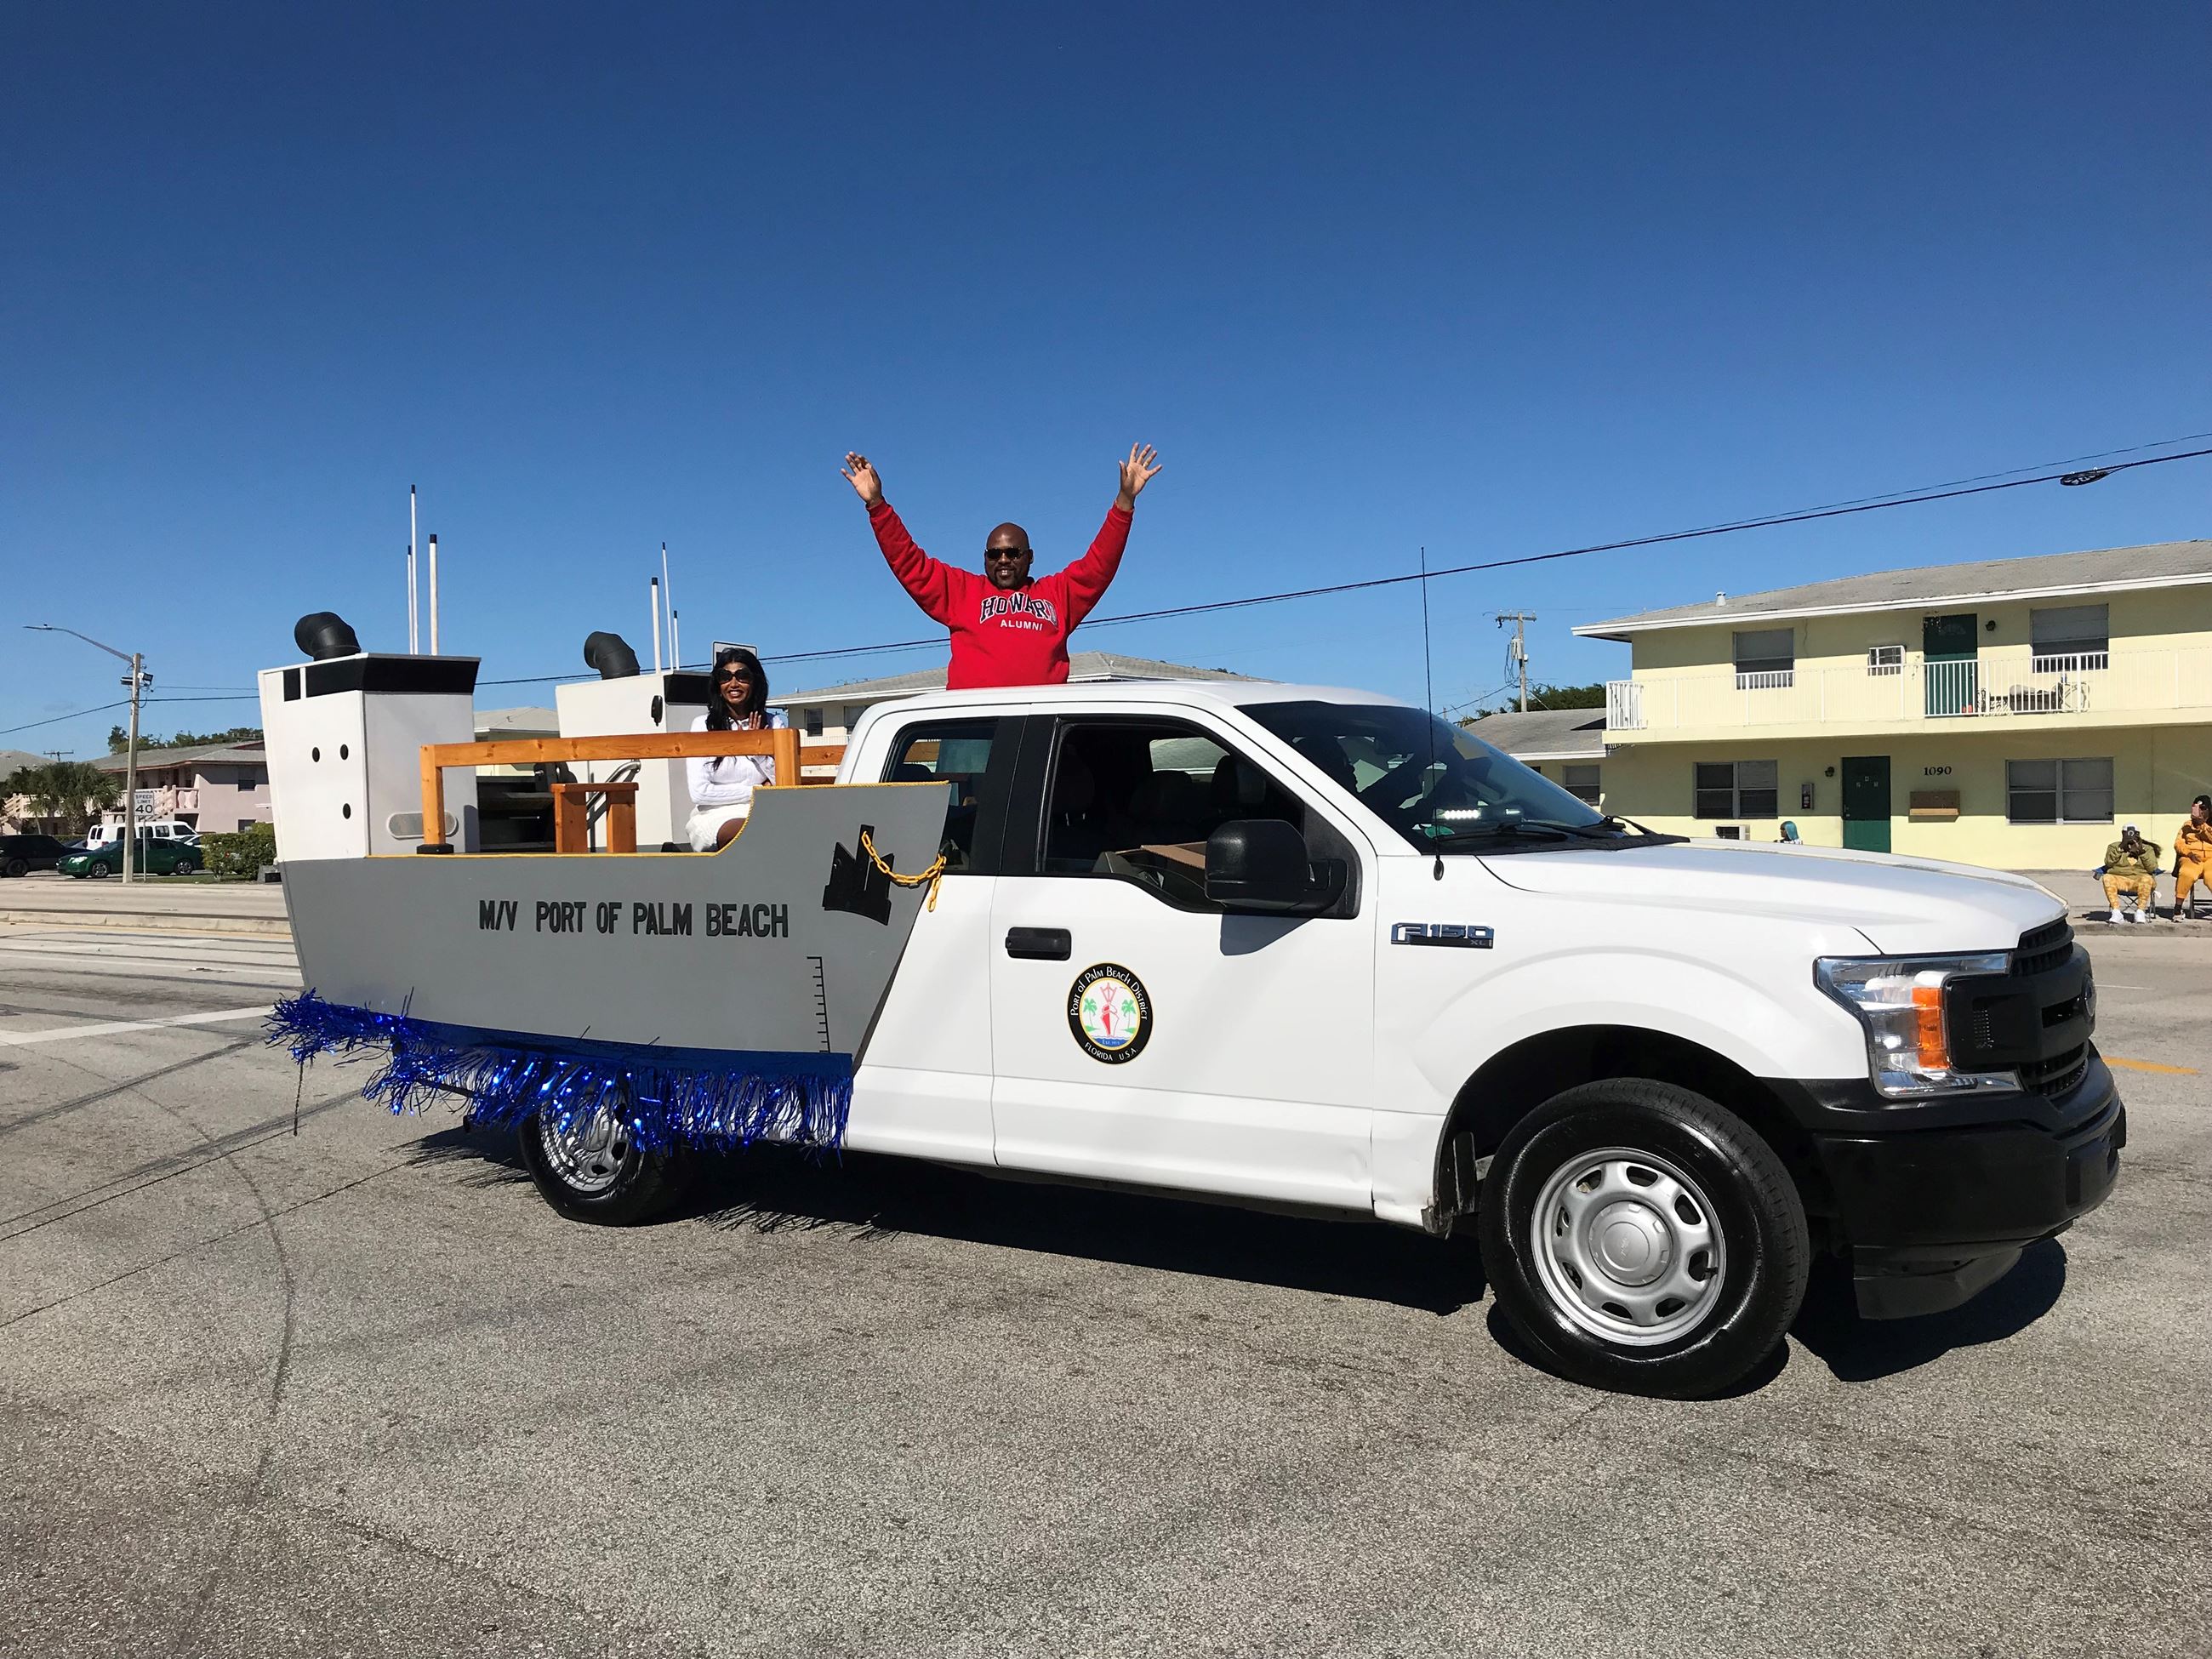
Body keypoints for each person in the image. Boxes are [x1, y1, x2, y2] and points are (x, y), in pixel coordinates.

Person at [840, 443, 1164, 689]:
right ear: (985, 559)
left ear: (1029, 557)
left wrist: (1125, 502)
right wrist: (877, 505)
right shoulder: (962, 593)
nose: (1004, 560)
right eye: (994, 554)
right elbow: (909, 562)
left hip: (1040, 730)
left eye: (1012, 552)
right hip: (972, 731)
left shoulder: (1057, 595)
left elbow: (1099, 566)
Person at [685, 647, 787, 851]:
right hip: (715, 814)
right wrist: (758, 790)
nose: (733, 683)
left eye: (742, 676)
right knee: (747, 832)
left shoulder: (774, 724)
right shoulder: (703, 725)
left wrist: (757, 750)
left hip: (764, 811)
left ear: (754, 681)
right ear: (718, 684)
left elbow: (783, 785)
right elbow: (700, 793)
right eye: (725, 676)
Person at [2100, 823, 2162, 924]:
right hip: (2120, 879)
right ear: (2123, 834)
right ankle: (2116, 912)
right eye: (2127, 834)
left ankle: (2140, 912)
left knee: (2147, 879)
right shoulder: (2113, 847)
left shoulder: (2147, 849)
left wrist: (2141, 852)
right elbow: (2108, 863)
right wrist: (2121, 848)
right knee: (2107, 877)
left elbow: (2152, 869)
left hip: (2139, 880)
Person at [2175, 794, 2212, 921]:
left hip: (2211, 858)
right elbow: (2178, 844)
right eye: (2198, 807)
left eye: (2203, 808)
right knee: (2187, 873)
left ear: (2209, 810)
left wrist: (2204, 827)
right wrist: (2189, 854)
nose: (2200, 811)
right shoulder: (2187, 825)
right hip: (2191, 857)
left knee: (2211, 876)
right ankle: (2178, 909)